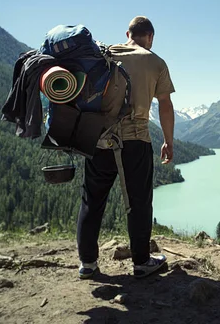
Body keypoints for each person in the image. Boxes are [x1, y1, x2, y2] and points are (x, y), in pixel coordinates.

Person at [77, 16, 175, 279]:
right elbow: (165, 104)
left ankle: (88, 263)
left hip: (99, 140)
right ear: (150, 37)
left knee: (93, 200)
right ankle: (141, 263)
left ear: (127, 33)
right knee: (139, 202)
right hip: (136, 140)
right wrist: (168, 140)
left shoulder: (105, 54)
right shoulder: (155, 62)